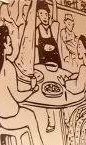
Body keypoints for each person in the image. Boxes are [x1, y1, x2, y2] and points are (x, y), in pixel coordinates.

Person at [0, 25, 48, 145]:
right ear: (3, 45)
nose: (12, 46)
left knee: (28, 114)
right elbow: (18, 97)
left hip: (0, 116)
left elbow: (7, 89)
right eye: (9, 43)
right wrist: (33, 90)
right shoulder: (8, 66)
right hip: (11, 116)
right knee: (31, 116)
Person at [36, 1, 61, 133]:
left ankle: (65, 119)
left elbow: (56, 20)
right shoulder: (36, 31)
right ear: (38, 16)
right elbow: (35, 49)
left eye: (46, 14)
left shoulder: (53, 27)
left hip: (57, 65)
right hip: (44, 66)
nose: (44, 16)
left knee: (62, 89)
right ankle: (51, 121)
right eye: (41, 14)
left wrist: (55, 4)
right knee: (48, 92)